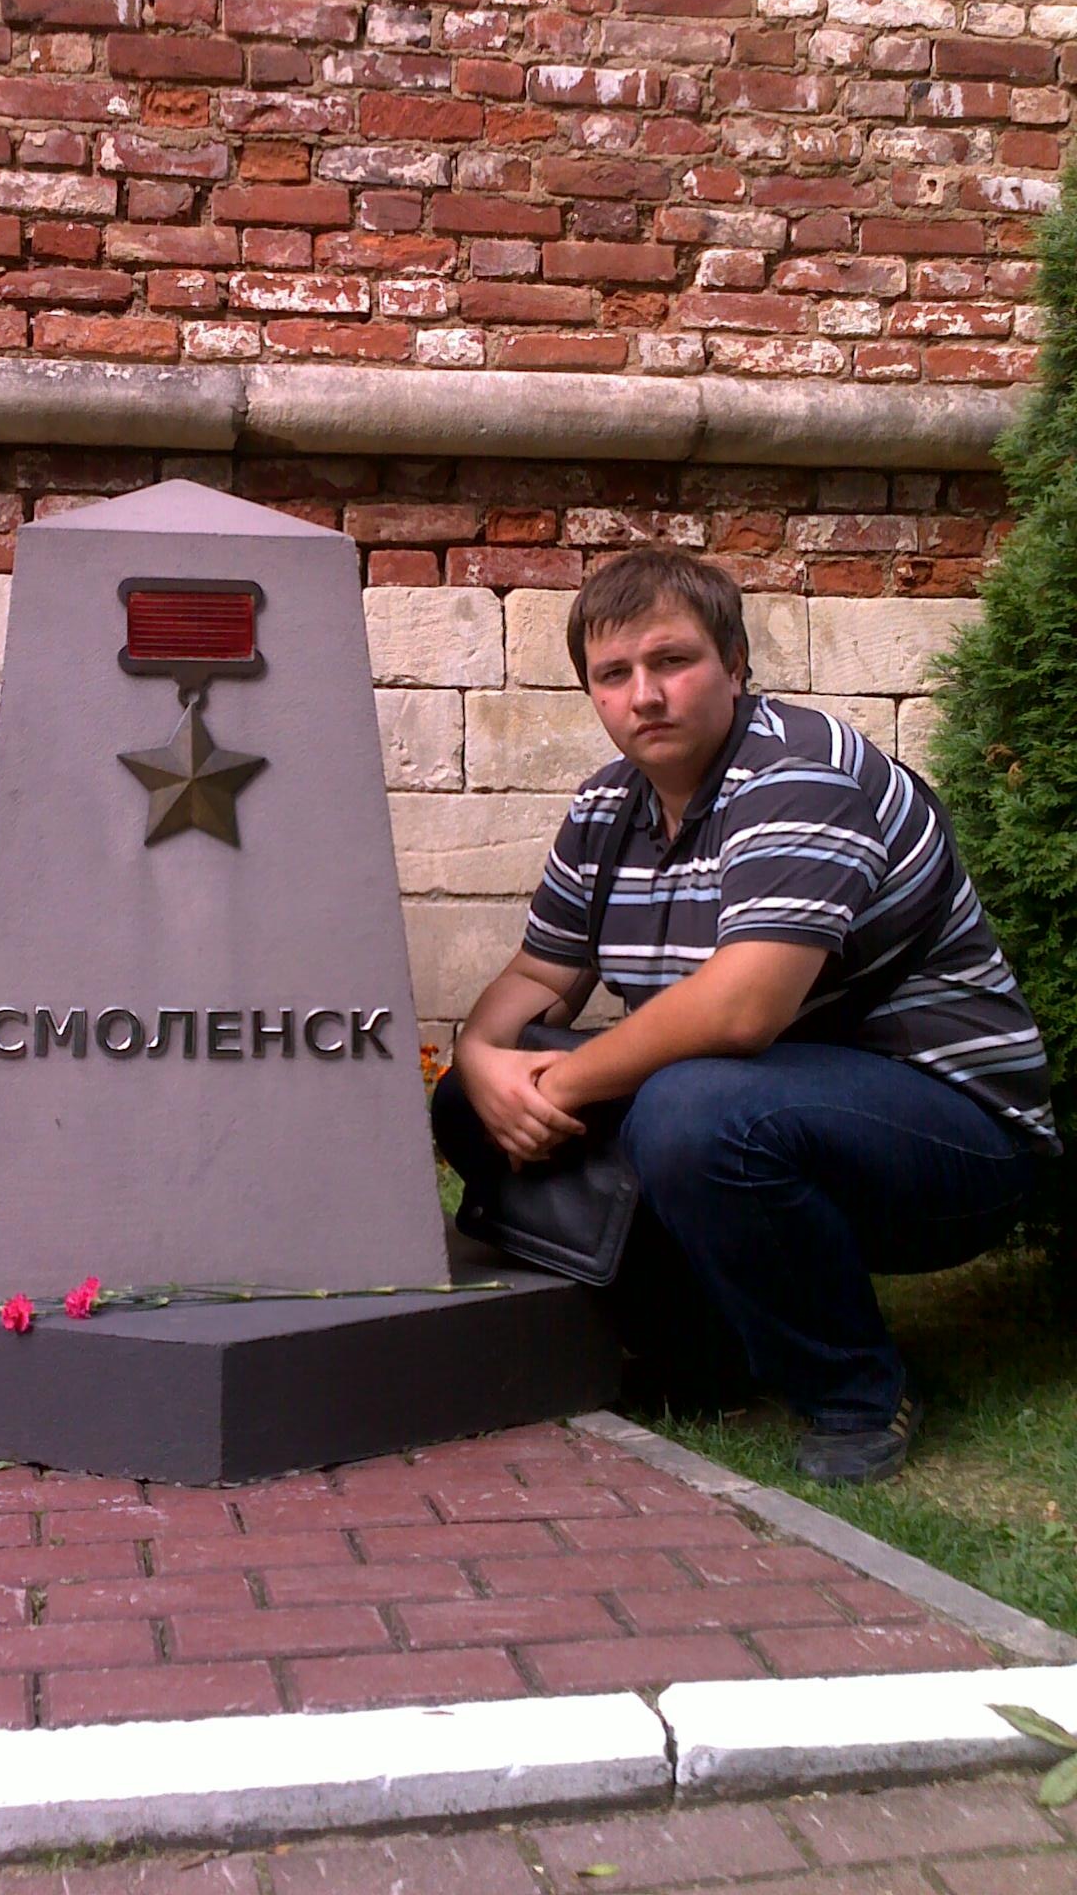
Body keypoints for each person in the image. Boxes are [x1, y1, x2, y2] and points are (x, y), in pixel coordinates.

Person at [433, 549, 1058, 1484]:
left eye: (672, 661)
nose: (645, 695)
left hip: (952, 1131)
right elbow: (535, 979)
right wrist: (481, 1060)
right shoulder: (606, 807)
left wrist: (552, 1085)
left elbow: (742, 1009)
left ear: (733, 664)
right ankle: (702, 1351)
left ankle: (855, 1392)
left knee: (693, 1113)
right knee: (470, 1105)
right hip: (764, 1101)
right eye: (614, 674)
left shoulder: (802, 772)